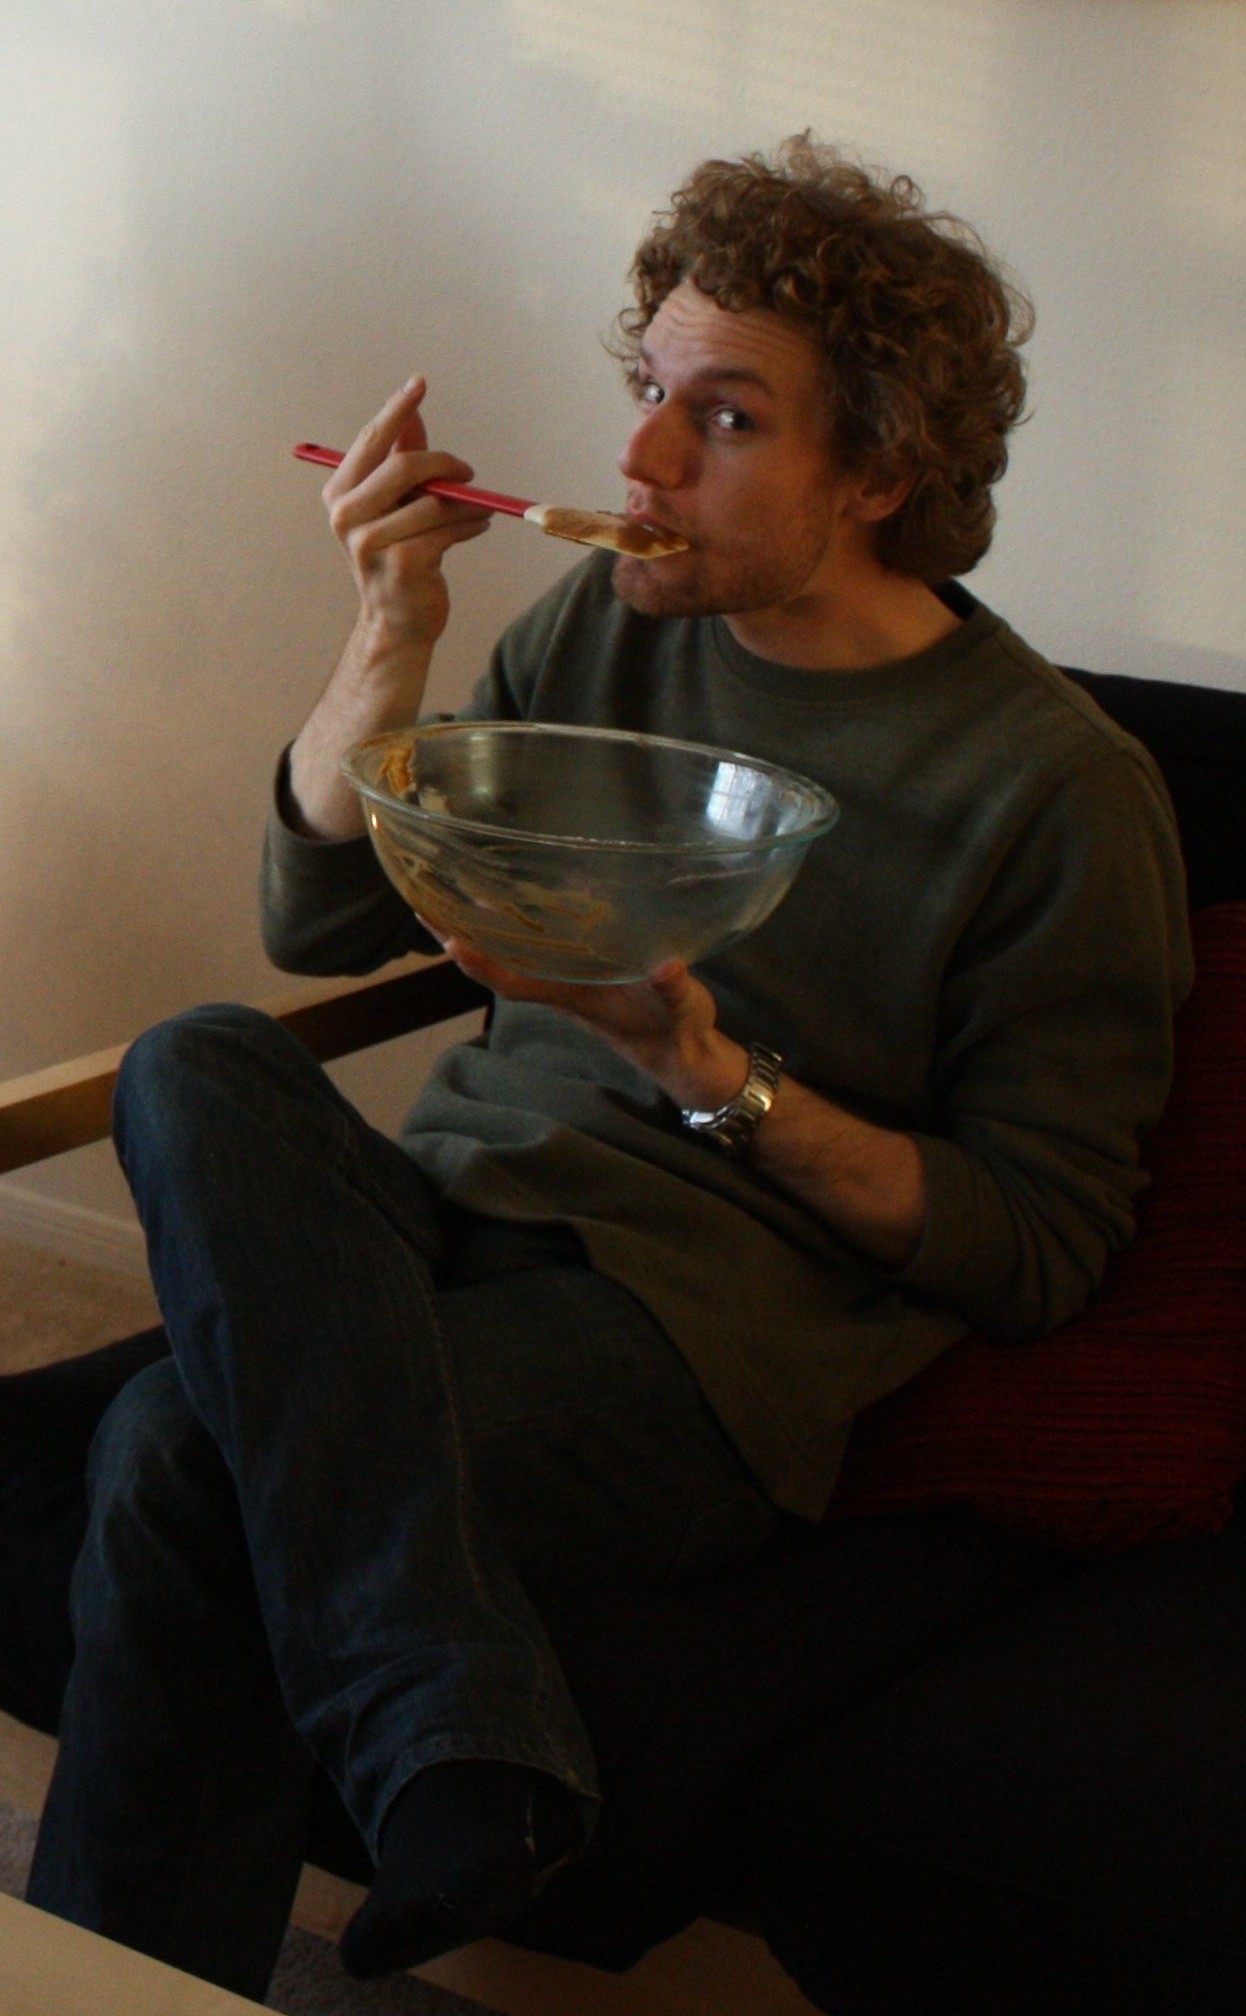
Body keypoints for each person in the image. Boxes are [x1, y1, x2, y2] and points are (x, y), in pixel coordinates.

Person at [22, 137, 1189, 2000]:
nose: (639, 462)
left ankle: (196, 1931)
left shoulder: (1056, 795)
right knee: (199, 1061)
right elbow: (323, 925)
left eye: (720, 420)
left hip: (694, 1344)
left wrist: (708, 1070)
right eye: (647, 390)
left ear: (883, 472)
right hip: (437, 1228)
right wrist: (389, 637)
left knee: (175, 1447)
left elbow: (1036, 1247)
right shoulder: (605, 626)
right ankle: (448, 1719)